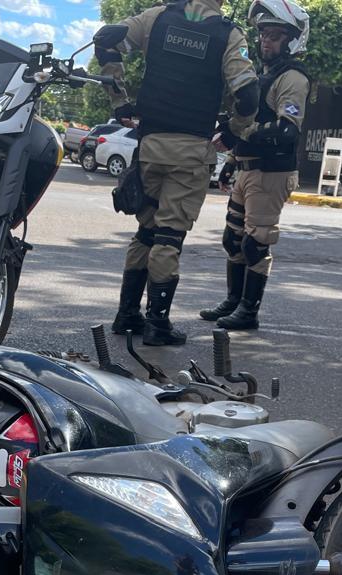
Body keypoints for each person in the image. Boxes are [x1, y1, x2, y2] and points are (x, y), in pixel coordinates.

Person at [94, 0, 260, 346]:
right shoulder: (229, 35)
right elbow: (247, 95)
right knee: (169, 236)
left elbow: (106, 38)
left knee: (146, 230)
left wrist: (119, 102)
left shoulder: (156, 18)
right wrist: (232, 132)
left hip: (151, 144)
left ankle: (126, 315)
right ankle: (157, 324)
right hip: (191, 151)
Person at [199, 0, 310, 331]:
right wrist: (232, 161)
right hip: (249, 169)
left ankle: (249, 311)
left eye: (275, 35)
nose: (266, 42)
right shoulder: (266, 75)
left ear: (293, 40)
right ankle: (234, 301)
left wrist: (237, 132)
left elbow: (286, 131)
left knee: (255, 243)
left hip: (271, 173)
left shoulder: (292, 78)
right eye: (263, 34)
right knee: (232, 240)